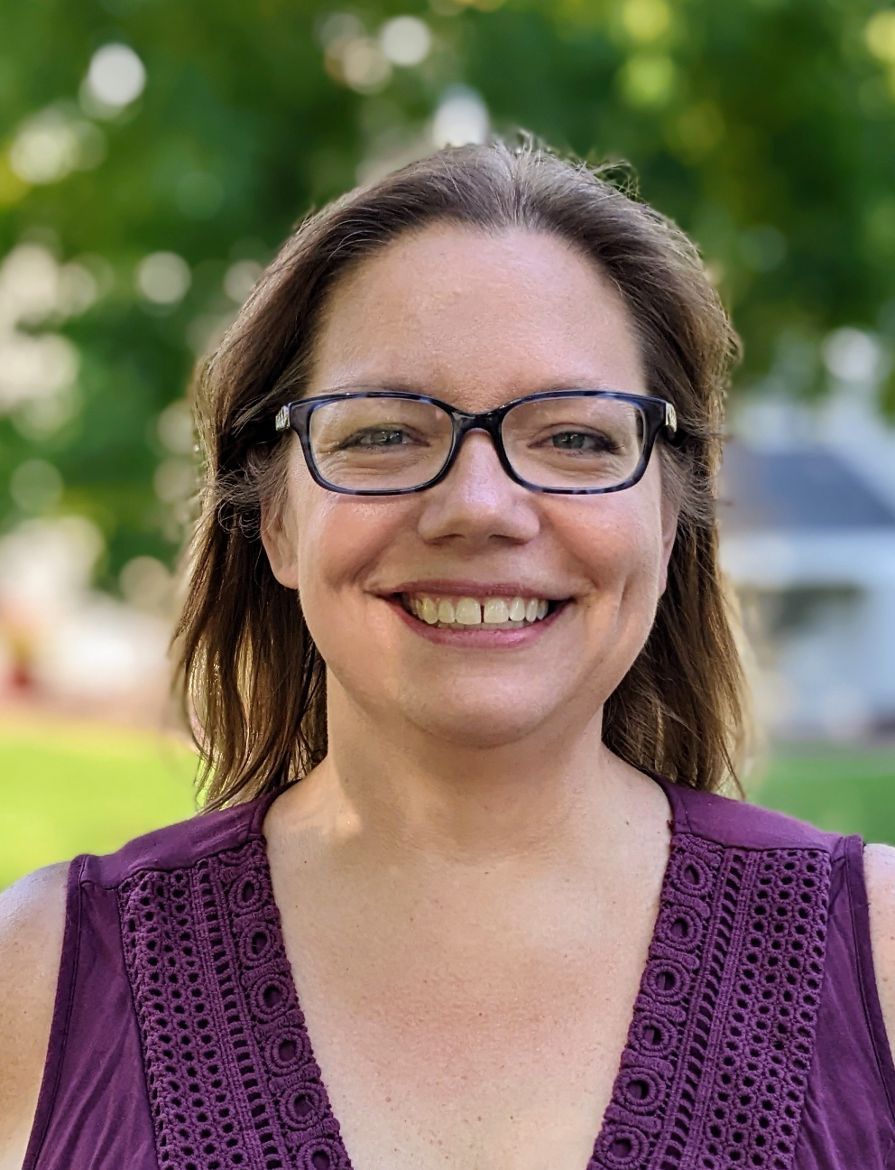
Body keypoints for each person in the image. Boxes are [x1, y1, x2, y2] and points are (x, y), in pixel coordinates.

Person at [2, 136, 894, 1170]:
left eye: (575, 438)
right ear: (276, 519)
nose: (479, 507)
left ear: (668, 515)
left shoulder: (877, 958)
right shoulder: (39, 980)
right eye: (384, 433)